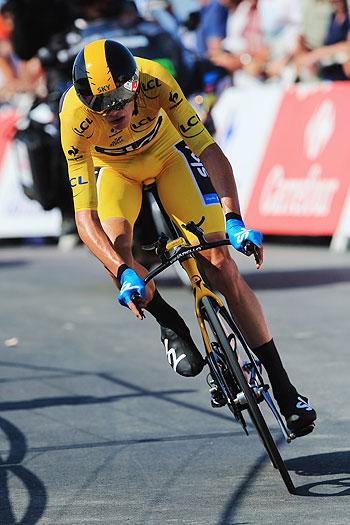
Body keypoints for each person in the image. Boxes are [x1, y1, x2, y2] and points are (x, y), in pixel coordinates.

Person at [59, 38, 317, 437]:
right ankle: (170, 322)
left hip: (167, 158)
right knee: (118, 251)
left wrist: (234, 220)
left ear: (133, 84)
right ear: (85, 101)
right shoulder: (74, 117)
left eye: (118, 99)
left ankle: (285, 389)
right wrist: (119, 269)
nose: (111, 112)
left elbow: (208, 150)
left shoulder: (156, 80)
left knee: (221, 265)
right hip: (113, 173)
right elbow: (85, 217)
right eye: (100, 105)